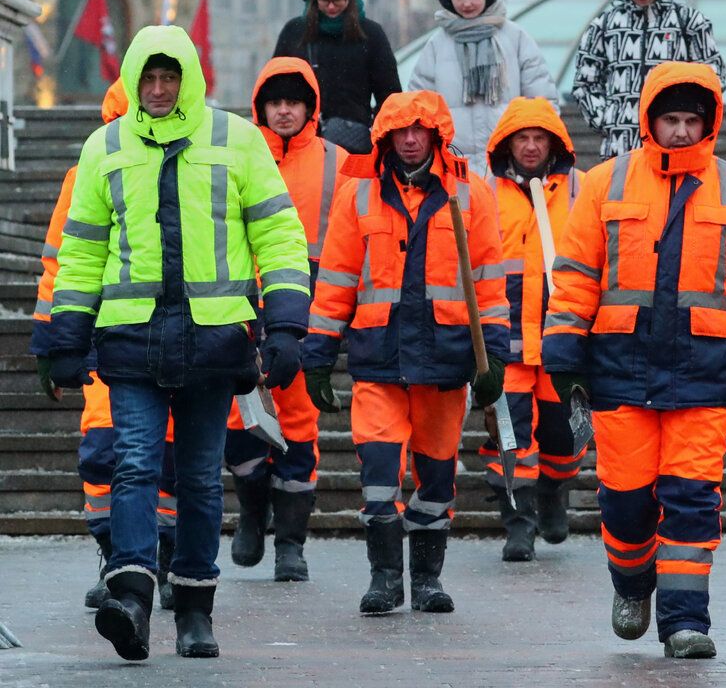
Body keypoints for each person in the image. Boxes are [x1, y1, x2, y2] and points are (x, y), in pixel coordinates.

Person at [48, 26, 311, 661]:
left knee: (197, 478)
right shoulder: (104, 147)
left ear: (188, 78)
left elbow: (280, 239)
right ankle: (133, 596)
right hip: (133, 342)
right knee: (135, 465)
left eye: (170, 77)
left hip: (214, 344)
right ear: (133, 80)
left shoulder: (237, 140)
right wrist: (65, 336)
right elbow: (80, 253)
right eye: (149, 78)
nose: (159, 89)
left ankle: (195, 607)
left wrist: (284, 326)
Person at [542, 62, 726, 658]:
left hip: (703, 368)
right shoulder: (607, 183)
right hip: (619, 365)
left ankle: (685, 622)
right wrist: (564, 353)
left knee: (692, 499)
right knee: (625, 500)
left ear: (709, 124)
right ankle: (631, 584)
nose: (680, 131)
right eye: (670, 119)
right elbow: (574, 278)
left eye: (691, 120)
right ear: (649, 119)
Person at [302, 89, 508, 616]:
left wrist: (497, 358)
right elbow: (337, 280)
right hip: (380, 358)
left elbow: (488, 284)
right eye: (401, 131)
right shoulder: (359, 196)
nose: (411, 140)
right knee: (378, 470)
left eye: (420, 131)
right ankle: (385, 578)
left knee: (437, 478)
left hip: (445, 359)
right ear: (386, 137)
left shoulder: (471, 195)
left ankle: (427, 580)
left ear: (437, 135)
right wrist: (319, 350)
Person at [31, 78, 178, 613]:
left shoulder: (181, 170)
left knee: (164, 456)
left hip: (168, 335)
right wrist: (50, 340)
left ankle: (159, 555)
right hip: (98, 335)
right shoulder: (84, 175)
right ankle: (114, 554)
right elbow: (60, 260)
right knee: (101, 450)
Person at [225, 57, 350, 582]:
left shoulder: (338, 162)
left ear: (309, 107)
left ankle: (291, 545)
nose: (283, 111)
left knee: (298, 424)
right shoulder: (235, 154)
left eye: (293, 102)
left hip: (308, 309)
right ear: (261, 106)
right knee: (240, 424)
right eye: (275, 102)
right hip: (237, 305)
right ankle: (254, 512)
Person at [481, 96, 586, 561]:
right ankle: (518, 524)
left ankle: (553, 493)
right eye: (521, 138)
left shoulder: (580, 190)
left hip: (561, 336)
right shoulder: (487, 193)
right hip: (507, 340)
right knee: (509, 434)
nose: (529, 146)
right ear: (508, 143)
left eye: (538, 138)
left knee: (564, 435)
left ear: (553, 143)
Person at [408, 0, 558, 177]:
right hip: (454, 162)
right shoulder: (437, 45)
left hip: (508, 163)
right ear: (449, 0)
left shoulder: (515, 37)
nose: (467, 3)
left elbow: (541, 99)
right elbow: (419, 105)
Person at [572, 0, 726, 161]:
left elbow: (714, 76)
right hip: (620, 147)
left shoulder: (689, 22)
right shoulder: (604, 26)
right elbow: (585, 82)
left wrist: (690, 117)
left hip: (677, 146)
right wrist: (607, 119)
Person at [274, 0, 402, 154]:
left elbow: (389, 97)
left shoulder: (371, 34)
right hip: (299, 145)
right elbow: (274, 88)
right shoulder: (294, 32)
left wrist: (378, 140)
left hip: (355, 147)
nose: (332, 6)